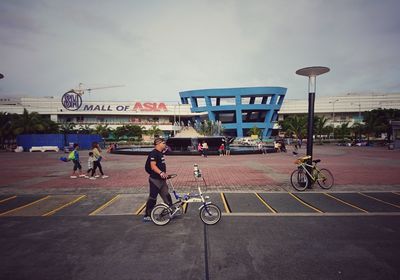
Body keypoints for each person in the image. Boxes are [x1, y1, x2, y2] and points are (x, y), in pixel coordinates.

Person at [143, 138, 173, 222]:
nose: (165, 144)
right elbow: (153, 166)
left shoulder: (160, 153)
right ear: (158, 143)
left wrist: (164, 174)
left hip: (162, 180)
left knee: (166, 195)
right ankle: (147, 215)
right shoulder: (153, 153)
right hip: (155, 180)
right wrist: (161, 173)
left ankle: (171, 211)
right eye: (163, 143)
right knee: (153, 198)